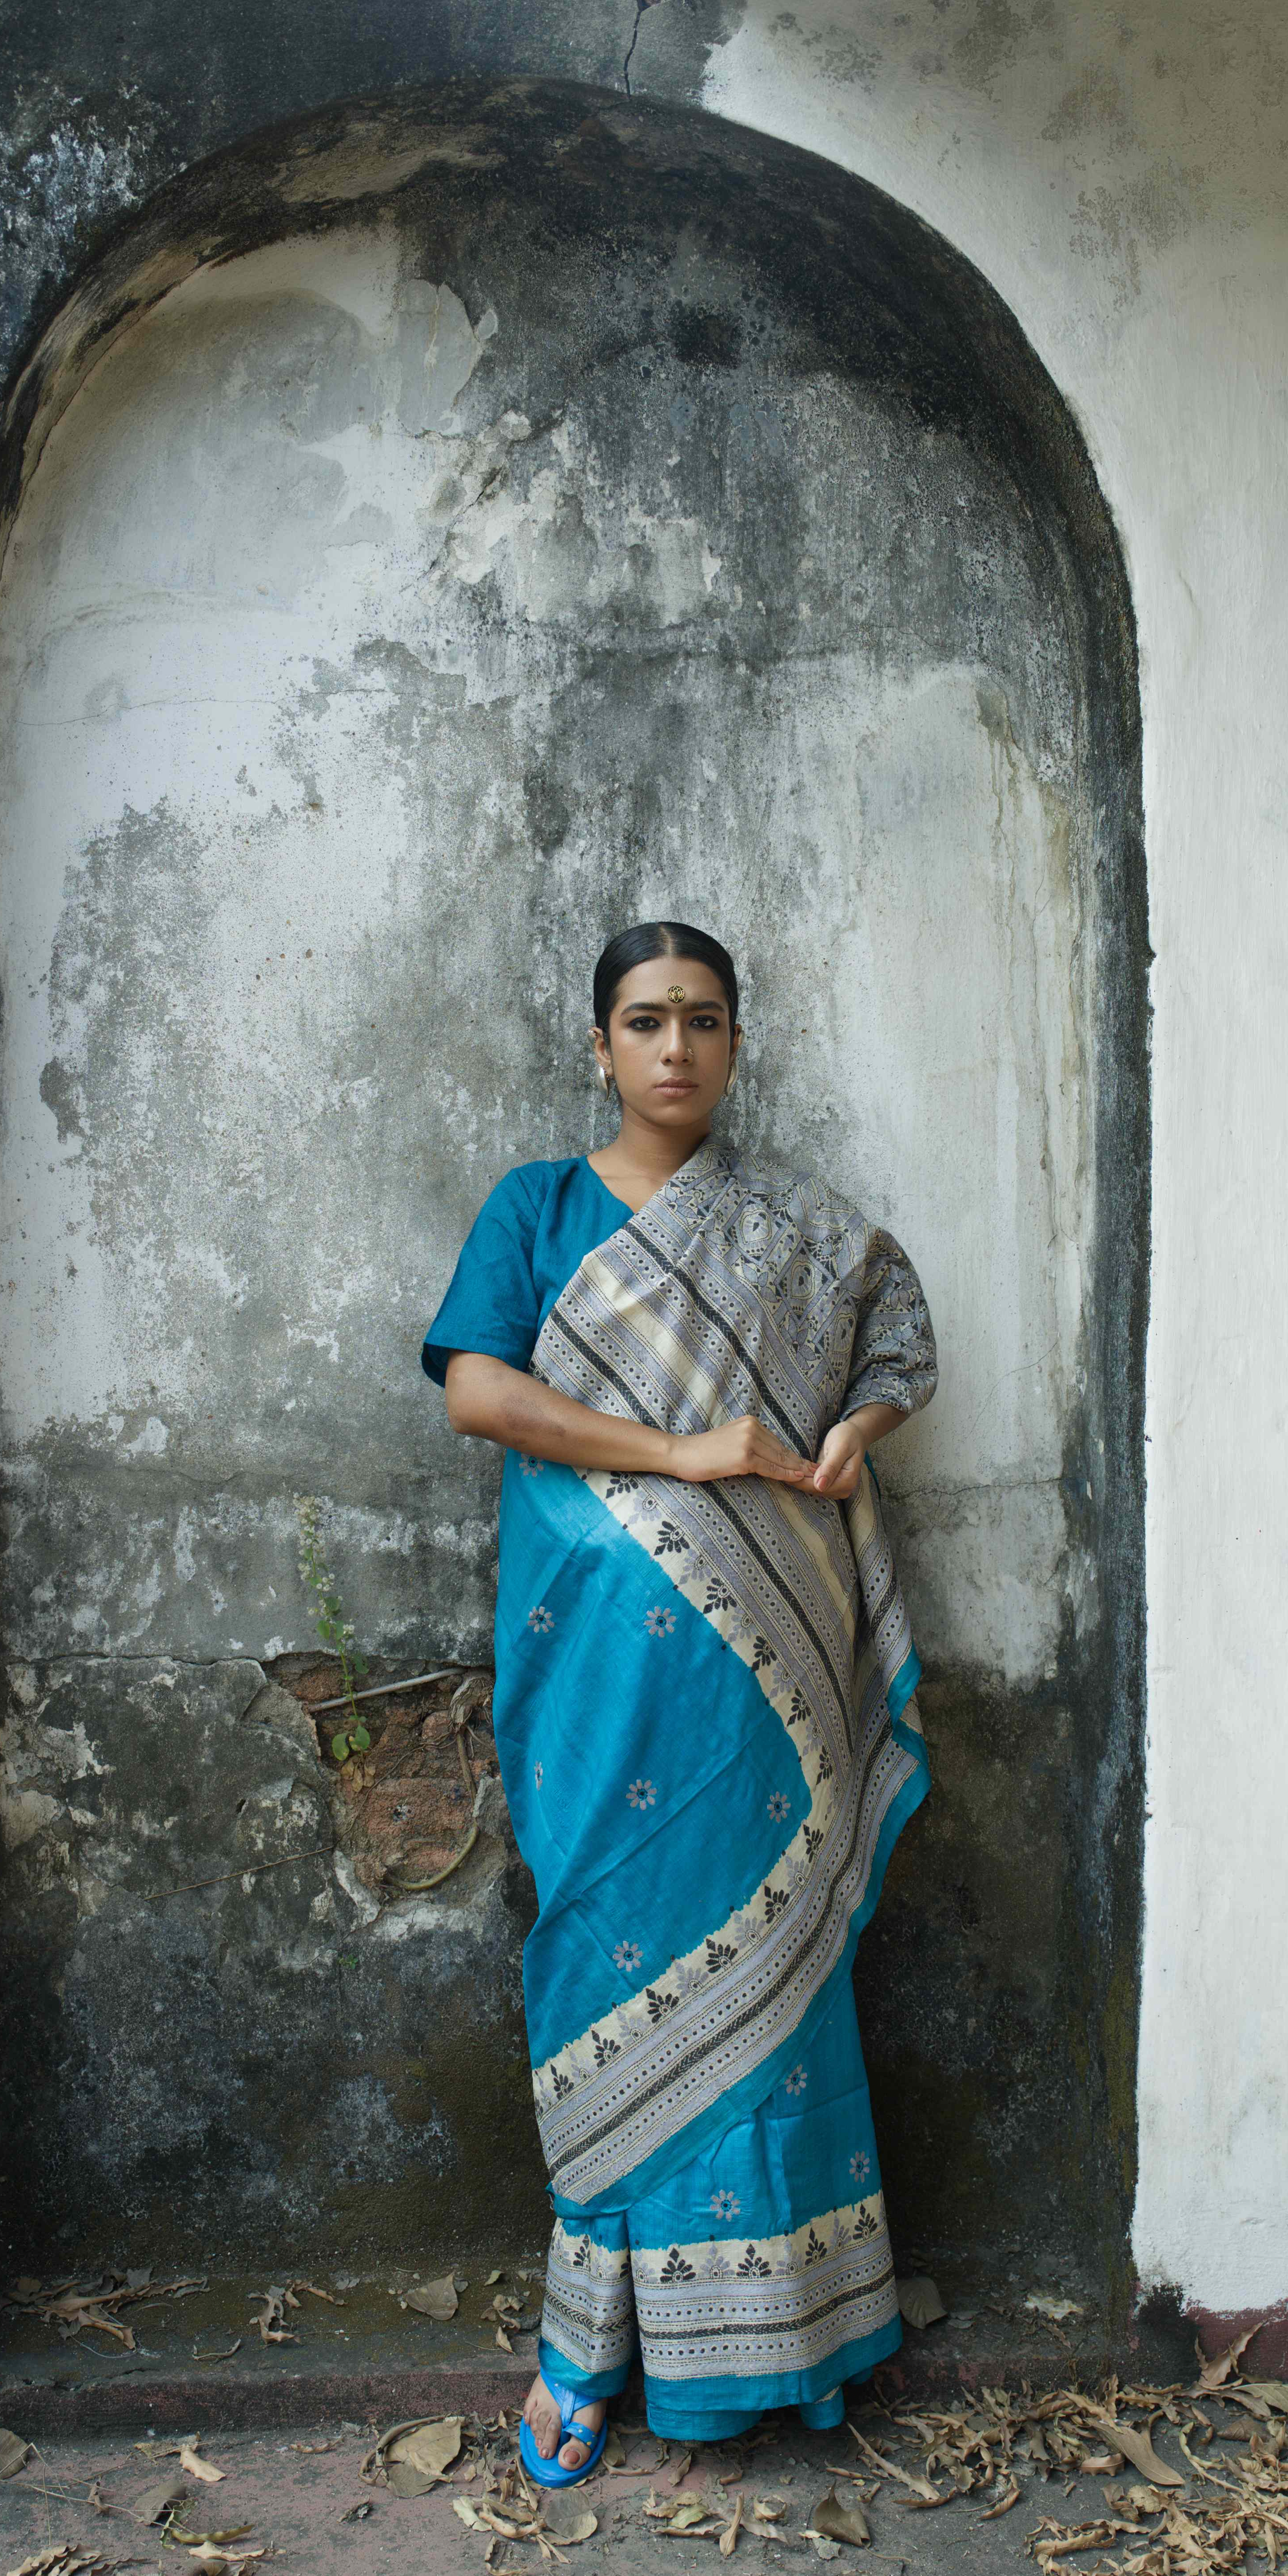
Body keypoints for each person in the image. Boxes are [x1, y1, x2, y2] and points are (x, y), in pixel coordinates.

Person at [421, 920, 937, 2482]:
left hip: (762, 1682)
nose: (674, 1050)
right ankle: (586, 2342)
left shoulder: (792, 1227)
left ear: (732, 1042)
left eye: (703, 1021)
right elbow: (477, 1391)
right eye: (644, 1022)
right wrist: (686, 1454)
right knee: (599, 1964)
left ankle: (786, 2339)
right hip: (593, 1667)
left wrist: (855, 1424)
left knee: (772, 1989)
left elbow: (896, 1330)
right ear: (599, 1045)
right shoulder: (540, 1209)